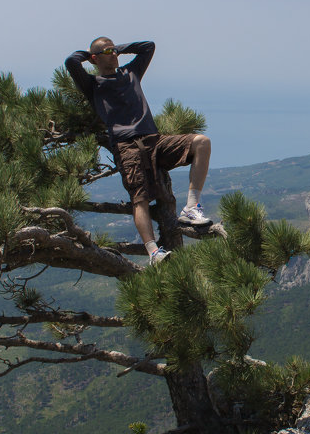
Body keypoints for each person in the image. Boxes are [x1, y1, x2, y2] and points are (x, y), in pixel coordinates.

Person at [65, 38, 212, 264]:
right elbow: (71, 61)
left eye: (114, 50)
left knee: (201, 142)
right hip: (127, 147)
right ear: (94, 59)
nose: (113, 54)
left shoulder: (131, 72)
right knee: (139, 199)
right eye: (107, 51)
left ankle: (191, 207)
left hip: (154, 139)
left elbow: (148, 46)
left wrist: (117, 49)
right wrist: (90, 53)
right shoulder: (92, 84)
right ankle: (153, 252)